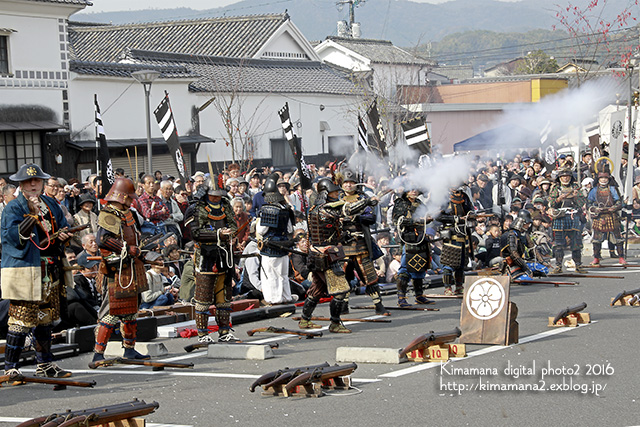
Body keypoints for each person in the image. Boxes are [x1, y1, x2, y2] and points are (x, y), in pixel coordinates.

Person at [2, 163, 73, 378]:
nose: (33, 184)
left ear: (42, 183)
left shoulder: (51, 203)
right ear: (21, 185)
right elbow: (11, 237)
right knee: (20, 317)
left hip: (50, 267)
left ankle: (45, 363)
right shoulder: (14, 207)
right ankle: (11, 367)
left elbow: (62, 227)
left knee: (46, 317)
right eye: (28, 181)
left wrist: (63, 236)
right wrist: (31, 217)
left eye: (37, 180)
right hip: (26, 267)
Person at [91, 178, 150, 363]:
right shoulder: (108, 213)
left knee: (131, 311)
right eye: (129, 198)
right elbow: (103, 239)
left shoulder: (128, 213)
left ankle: (130, 349)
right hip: (115, 268)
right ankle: (98, 353)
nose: (132, 201)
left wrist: (139, 250)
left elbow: (135, 236)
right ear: (122, 197)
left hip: (131, 267)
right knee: (111, 312)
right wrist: (126, 248)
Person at [185, 174, 238, 342]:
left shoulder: (226, 205)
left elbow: (233, 224)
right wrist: (217, 234)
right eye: (213, 194)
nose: (216, 197)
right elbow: (195, 233)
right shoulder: (197, 208)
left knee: (224, 297)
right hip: (205, 256)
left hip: (224, 254)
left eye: (219, 194)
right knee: (203, 297)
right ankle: (203, 334)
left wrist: (232, 234)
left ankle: (224, 331)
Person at [298, 178, 351, 333]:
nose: (337, 193)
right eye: (334, 191)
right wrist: (367, 203)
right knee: (341, 290)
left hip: (322, 253)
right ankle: (335, 323)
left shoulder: (318, 209)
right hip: (325, 255)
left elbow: (330, 232)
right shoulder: (324, 209)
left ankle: (304, 320)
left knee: (317, 290)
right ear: (326, 193)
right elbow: (346, 210)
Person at [339, 169, 389, 315]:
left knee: (369, 273)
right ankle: (343, 305)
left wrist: (357, 218)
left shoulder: (363, 197)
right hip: (343, 242)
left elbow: (371, 218)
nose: (348, 185)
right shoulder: (337, 198)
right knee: (344, 275)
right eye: (346, 182)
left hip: (360, 241)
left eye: (351, 182)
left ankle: (378, 305)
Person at [256, 174, 296, 304]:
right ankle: (286, 297)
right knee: (283, 275)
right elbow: (290, 230)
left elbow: (261, 231)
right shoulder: (286, 209)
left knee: (271, 275)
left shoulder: (267, 210)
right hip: (284, 245)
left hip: (271, 246)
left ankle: (274, 299)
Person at [392, 187, 434, 307]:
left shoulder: (420, 203)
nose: (414, 191)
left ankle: (419, 296)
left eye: (415, 189)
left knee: (420, 266)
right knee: (405, 267)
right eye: (411, 189)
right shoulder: (401, 203)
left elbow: (426, 218)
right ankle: (401, 298)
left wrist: (428, 219)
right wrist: (416, 220)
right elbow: (398, 220)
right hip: (408, 238)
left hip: (421, 238)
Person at [548, 168, 587, 274]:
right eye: (562, 176)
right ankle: (558, 266)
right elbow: (551, 203)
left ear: (571, 177)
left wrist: (575, 197)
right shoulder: (556, 188)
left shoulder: (575, 187)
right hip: (560, 216)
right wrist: (558, 199)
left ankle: (578, 265)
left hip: (573, 215)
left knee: (576, 242)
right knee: (559, 243)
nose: (565, 178)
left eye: (567, 176)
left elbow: (582, 201)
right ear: (559, 178)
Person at [438, 186, 474, 295]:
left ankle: (459, 286)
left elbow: (470, 209)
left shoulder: (464, 196)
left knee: (461, 263)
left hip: (463, 232)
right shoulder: (444, 197)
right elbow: (438, 216)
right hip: (451, 232)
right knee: (449, 262)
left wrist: (471, 215)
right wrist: (455, 219)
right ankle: (447, 288)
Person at [588, 168, 625, 265]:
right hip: (599, 217)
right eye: (601, 178)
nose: (603, 180)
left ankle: (621, 257)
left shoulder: (612, 189)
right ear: (598, 179)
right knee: (596, 240)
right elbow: (588, 203)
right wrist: (594, 209)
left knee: (618, 238)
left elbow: (619, 202)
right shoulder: (594, 190)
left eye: (605, 178)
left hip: (611, 215)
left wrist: (614, 208)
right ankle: (596, 258)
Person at [500, 210, 534, 280]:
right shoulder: (511, 235)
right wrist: (525, 268)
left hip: (520, 262)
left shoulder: (523, 234)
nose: (528, 226)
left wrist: (542, 261)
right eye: (527, 223)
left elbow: (532, 247)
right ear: (522, 222)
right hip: (510, 264)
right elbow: (514, 255)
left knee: (543, 269)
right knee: (526, 280)